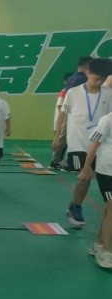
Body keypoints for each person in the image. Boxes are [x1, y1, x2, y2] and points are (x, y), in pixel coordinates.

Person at [56, 58, 112, 227]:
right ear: (88, 73)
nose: (99, 82)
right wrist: (57, 137)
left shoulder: (108, 94)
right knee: (84, 175)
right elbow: (62, 115)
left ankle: (75, 205)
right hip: (78, 142)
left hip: (99, 144)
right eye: (96, 78)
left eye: (103, 79)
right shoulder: (73, 93)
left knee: (90, 175)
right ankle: (76, 207)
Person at [79, 111, 112, 268]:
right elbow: (94, 145)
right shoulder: (108, 120)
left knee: (108, 210)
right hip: (106, 172)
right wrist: (86, 168)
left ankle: (98, 245)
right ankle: (105, 252)